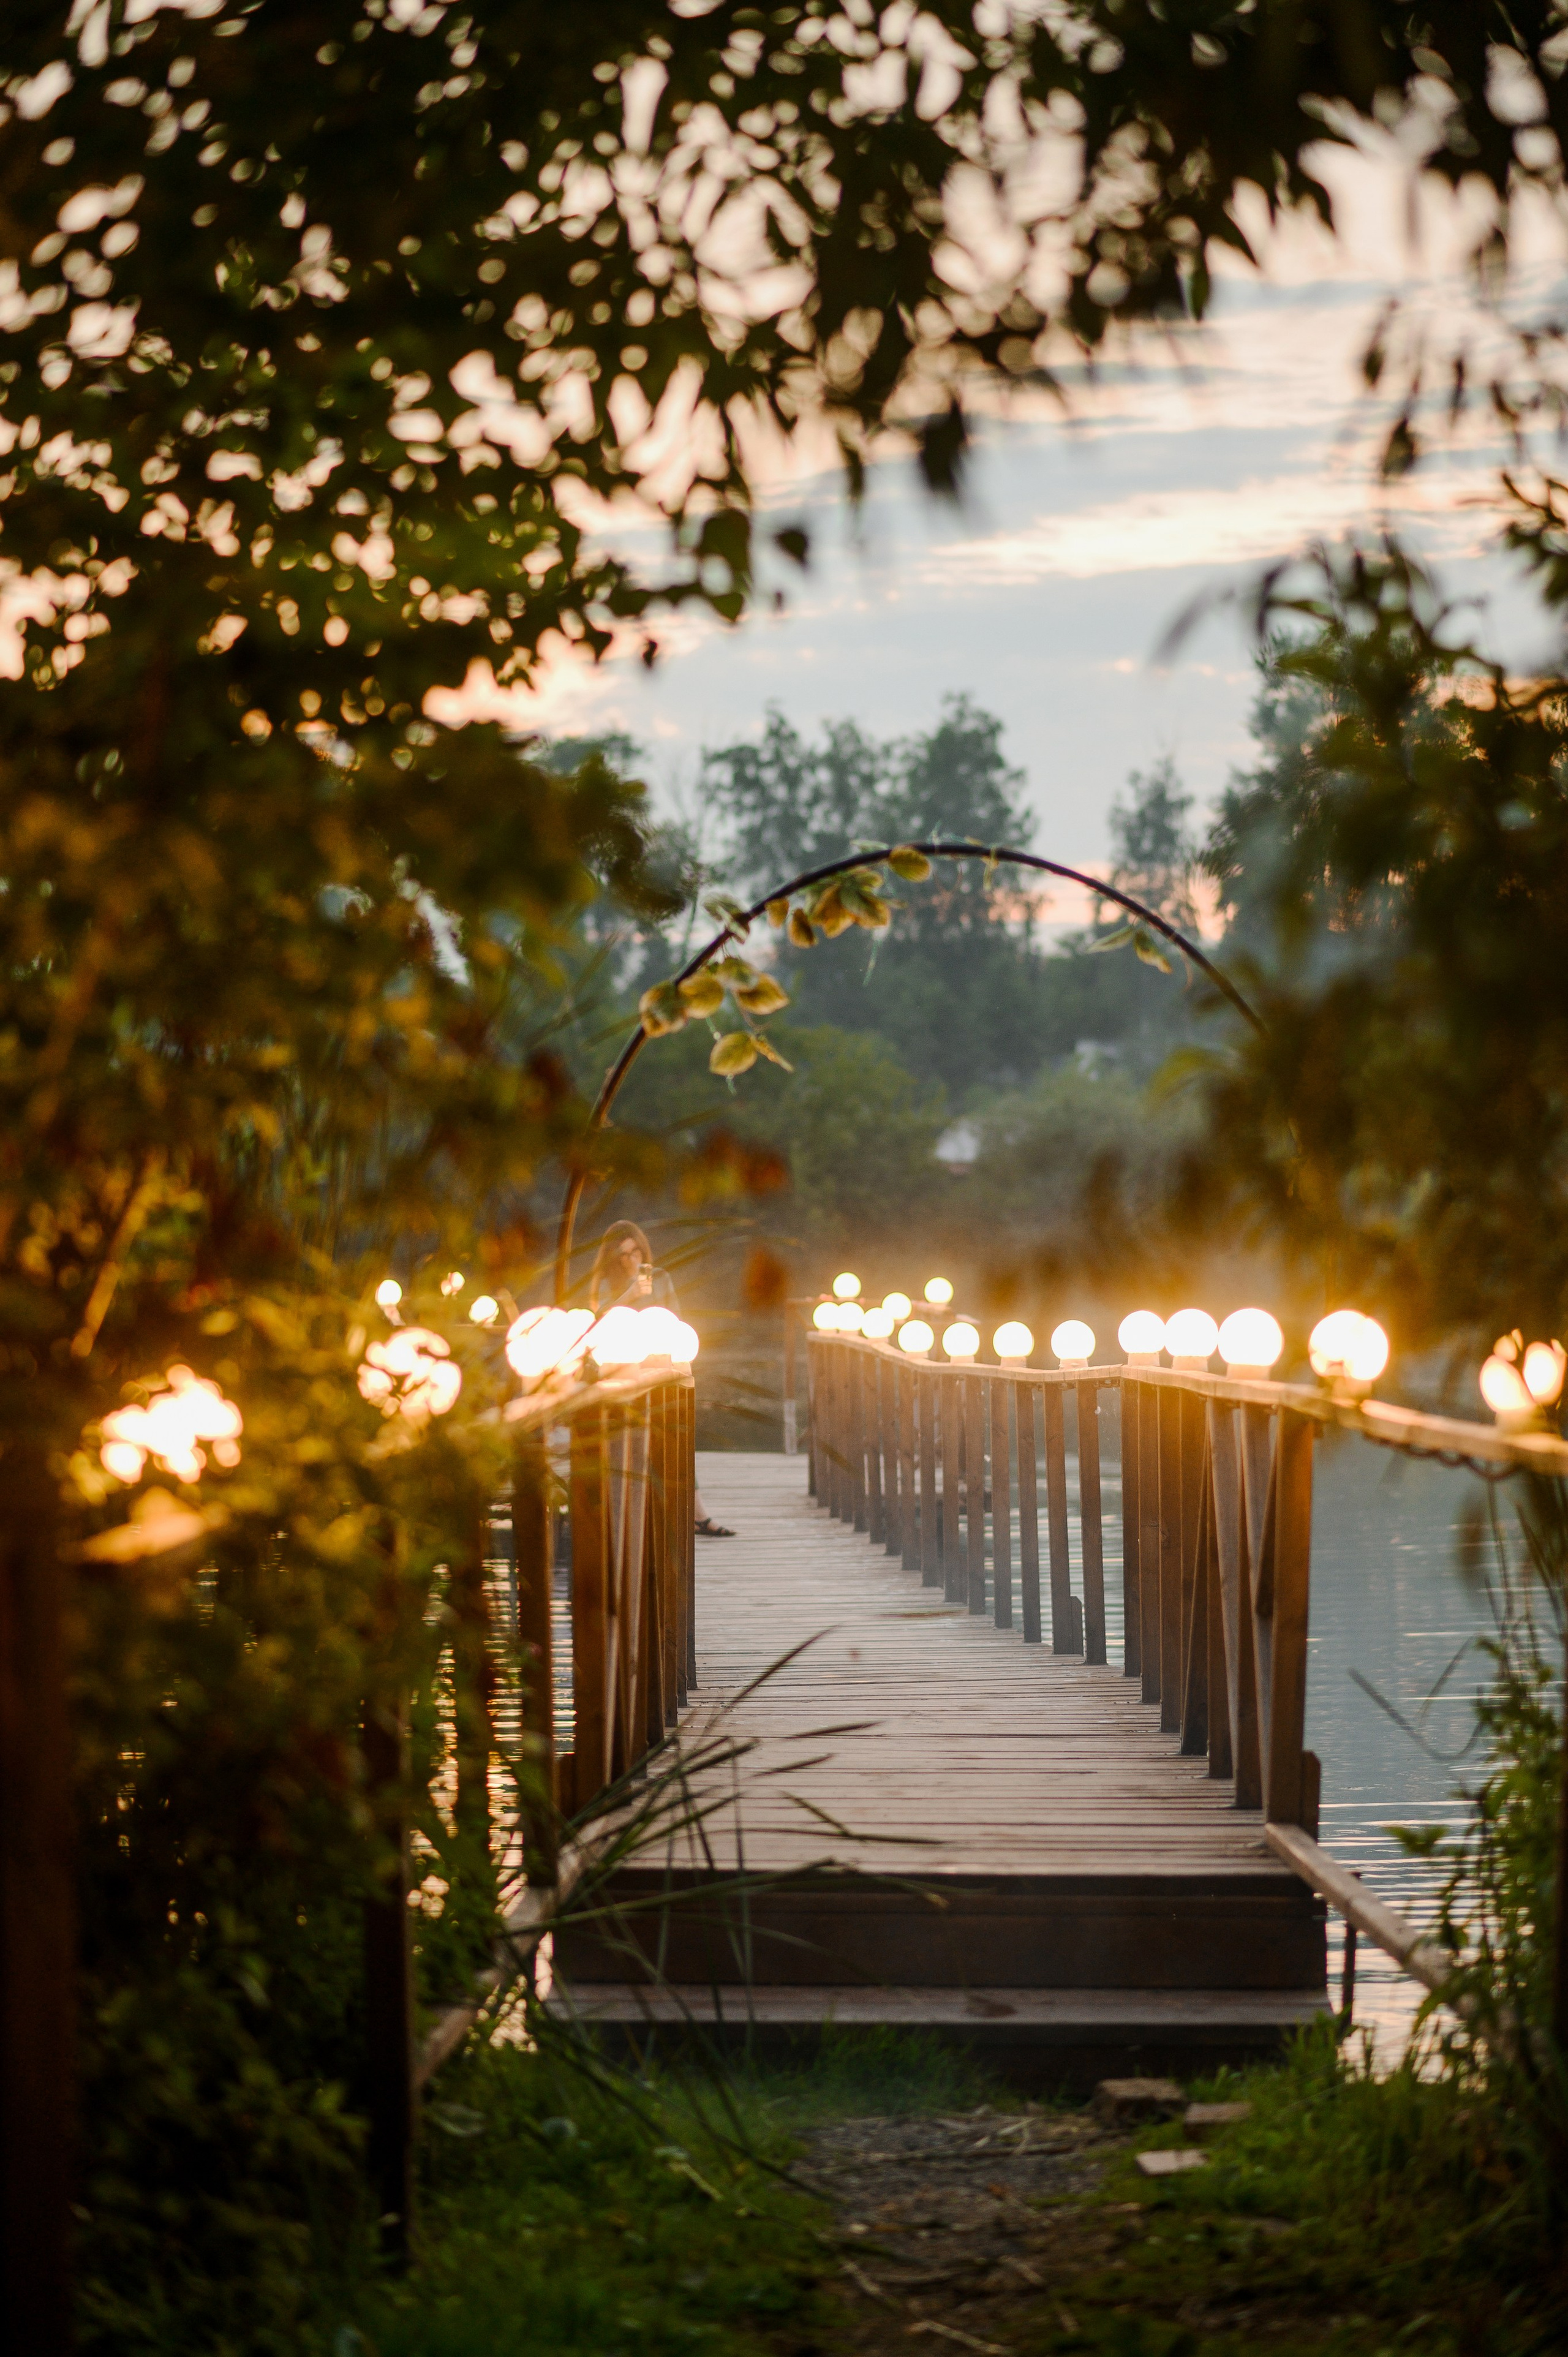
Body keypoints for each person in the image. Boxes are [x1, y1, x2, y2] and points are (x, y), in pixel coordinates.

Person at [589, 1221, 734, 1537]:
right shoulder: (605, 1283)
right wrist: (628, 1294)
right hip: (624, 1377)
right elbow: (598, 1322)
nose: (630, 1260)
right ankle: (637, 1523)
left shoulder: (661, 1278)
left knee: (676, 1439)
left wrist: (683, 1365)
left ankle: (697, 1514)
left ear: (643, 1249)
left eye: (635, 1251)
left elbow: (676, 1322)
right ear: (613, 1258)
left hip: (661, 1371)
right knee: (631, 1445)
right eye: (623, 1255)